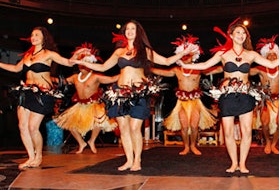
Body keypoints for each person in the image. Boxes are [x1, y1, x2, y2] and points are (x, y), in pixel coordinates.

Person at [179, 19, 279, 173]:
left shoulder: (251, 55)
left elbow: (271, 65)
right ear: (231, 35)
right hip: (227, 96)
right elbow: (204, 65)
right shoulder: (223, 54)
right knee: (229, 132)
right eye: (238, 32)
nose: (241, 35)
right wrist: (186, 65)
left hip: (245, 95)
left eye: (244, 33)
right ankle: (233, 163)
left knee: (246, 131)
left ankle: (242, 164)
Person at [72, 20, 196, 172]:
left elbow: (166, 61)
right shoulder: (119, 52)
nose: (130, 31)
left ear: (138, 32)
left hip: (138, 93)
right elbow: (103, 67)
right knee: (123, 128)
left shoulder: (145, 50)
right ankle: (129, 160)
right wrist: (79, 61)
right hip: (120, 93)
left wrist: (183, 53)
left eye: (133, 29)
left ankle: (137, 160)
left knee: (134, 127)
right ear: (124, 33)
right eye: (127, 29)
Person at [0, 26, 82, 169]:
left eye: (37, 35)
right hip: (26, 92)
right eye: (32, 35)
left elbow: (67, 62)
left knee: (33, 127)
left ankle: (38, 156)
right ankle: (31, 157)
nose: (34, 37)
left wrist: (75, 58)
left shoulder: (48, 54)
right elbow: (15, 69)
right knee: (22, 126)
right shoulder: (27, 56)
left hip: (42, 94)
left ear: (44, 38)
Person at [152, 34, 222, 155]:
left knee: (194, 126)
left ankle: (193, 146)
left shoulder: (199, 68)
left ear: (194, 55)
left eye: (188, 54)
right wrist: (147, 68)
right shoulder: (176, 70)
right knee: (184, 126)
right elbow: (162, 72)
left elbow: (217, 69)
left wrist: (227, 63)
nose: (186, 57)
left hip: (195, 101)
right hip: (182, 101)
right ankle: (186, 147)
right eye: (184, 55)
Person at [55, 43, 119, 154]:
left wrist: (126, 74)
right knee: (69, 123)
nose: (82, 64)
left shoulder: (96, 76)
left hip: (94, 105)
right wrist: (46, 77)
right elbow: (63, 82)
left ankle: (92, 141)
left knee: (99, 120)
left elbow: (112, 78)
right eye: (81, 62)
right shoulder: (75, 77)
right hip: (80, 105)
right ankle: (81, 143)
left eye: (86, 62)